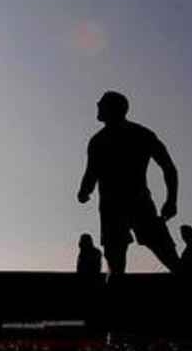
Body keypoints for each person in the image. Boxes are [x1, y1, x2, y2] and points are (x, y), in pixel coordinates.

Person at [77, 91, 180, 275]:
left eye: (101, 104)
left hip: (123, 205)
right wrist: (85, 190)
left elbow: (169, 168)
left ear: (113, 109)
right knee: (118, 263)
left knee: (161, 256)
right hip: (126, 205)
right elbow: (91, 173)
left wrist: (85, 191)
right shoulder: (138, 134)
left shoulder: (101, 140)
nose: (97, 106)